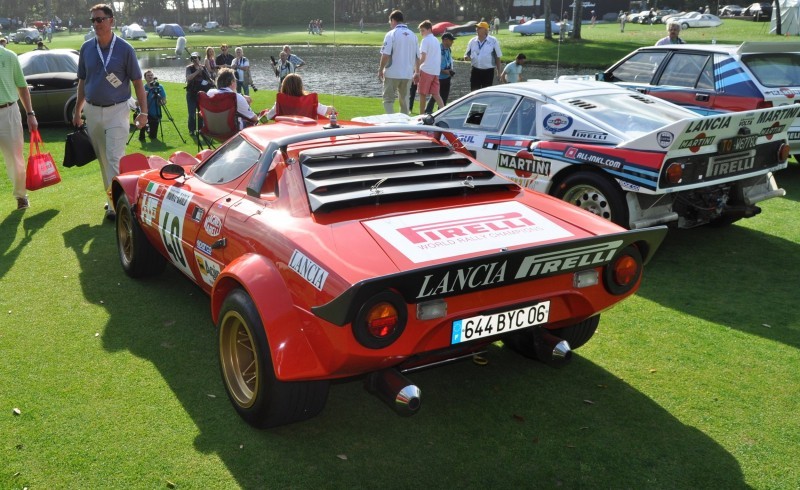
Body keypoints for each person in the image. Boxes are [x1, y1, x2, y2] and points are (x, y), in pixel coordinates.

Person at [72, 3, 148, 220]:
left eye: (100, 19)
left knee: (115, 158)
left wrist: (144, 113)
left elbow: (137, 83)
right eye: (93, 20)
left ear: (111, 20)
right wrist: (78, 110)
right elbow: (82, 82)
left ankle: (120, 205)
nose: (96, 24)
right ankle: (113, 201)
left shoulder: (125, 49)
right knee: (103, 160)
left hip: (118, 109)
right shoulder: (87, 48)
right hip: (93, 111)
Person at [0, 37, 38, 210]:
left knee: (15, 157)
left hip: (8, 111)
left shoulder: (9, 56)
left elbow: (22, 86)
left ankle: (21, 196)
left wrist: (30, 113)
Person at [378, 9, 418, 114]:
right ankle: (404, 125)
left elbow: (385, 55)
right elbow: (417, 57)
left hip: (392, 73)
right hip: (408, 74)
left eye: (390, 22)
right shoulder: (413, 35)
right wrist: (417, 72)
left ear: (393, 20)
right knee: (404, 101)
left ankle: (391, 123)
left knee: (388, 99)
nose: (390, 24)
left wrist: (380, 69)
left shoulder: (391, 34)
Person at [262, 73, 335, 121]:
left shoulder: (281, 102)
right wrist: (331, 108)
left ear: (283, 86)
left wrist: (258, 119)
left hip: (286, 135)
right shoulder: (309, 101)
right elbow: (330, 110)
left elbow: (267, 117)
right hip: (306, 135)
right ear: (301, 86)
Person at [464, 21, 502, 91]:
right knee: (474, 92)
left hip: (488, 72)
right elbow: (466, 54)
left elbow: (497, 57)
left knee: (485, 93)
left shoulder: (493, 41)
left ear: (485, 30)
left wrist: (499, 72)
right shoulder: (472, 41)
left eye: (479, 28)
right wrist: (467, 57)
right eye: (477, 28)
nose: (477, 29)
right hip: (475, 71)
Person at [423, 32, 455, 113]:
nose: (452, 42)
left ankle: (440, 113)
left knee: (444, 97)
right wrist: (444, 71)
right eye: (451, 40)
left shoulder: (448, 49)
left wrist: (450, 70)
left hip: (447, 77)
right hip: (438, 76)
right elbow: (435, 63)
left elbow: (448, 61)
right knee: (435, 95)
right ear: (445, 40)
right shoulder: (438, 49)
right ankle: (428, 111)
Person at [416, 20, 443, 115]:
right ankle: (443, 112)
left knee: (422, 94)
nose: (421, 33)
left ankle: (421, 115)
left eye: (422, 30)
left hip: (426, 70)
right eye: (420, 31)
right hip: (435, 71)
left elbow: (423, 57)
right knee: (436, 94)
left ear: (429, 29)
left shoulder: (425, 40)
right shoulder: (436, 40)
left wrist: (416, 68)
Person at [185, 51, 215, 136]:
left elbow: (209, 78)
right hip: (191, 93)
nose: (195, 60)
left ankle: (200, 129)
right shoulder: (189, 68)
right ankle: (192, 130)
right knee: (191, 113)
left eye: (196, 58)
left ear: (199, 59)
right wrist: (197, 71)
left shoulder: (204, 68)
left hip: (201, 94)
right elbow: (188, 78)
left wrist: (211, 82)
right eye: (193, 58)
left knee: (201, 112)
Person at [138, 70, 166, 141]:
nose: (150, 77)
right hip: (145, 112)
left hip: (155, 112)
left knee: (153, 136)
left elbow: (164, 100)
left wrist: (161, 102)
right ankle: (145, 128)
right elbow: (137, 102)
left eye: (151, 75)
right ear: (145, 78)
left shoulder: (159, 87)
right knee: (141, 137)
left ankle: (148, 128)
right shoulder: (143, 88)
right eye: (148, 76)